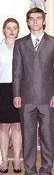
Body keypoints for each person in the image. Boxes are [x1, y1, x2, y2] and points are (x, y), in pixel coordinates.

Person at [13, 8, 54, 175]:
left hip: (47, 98)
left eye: (38, 18)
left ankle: (46, 170)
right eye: (32, 19)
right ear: (27, 22)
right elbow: (17, 72)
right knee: (28, 138)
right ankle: (30, 170)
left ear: (44, 21)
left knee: (47, 136)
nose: (35, 22)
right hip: (26, 98)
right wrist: (16, 94)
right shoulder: (20, 44)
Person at [0, 18, 22, 174]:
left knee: (17, 126)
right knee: (3, 126)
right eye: (8, 28)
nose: (12, 31)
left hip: (18, 89)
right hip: (2, 88)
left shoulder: (22, 48)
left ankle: (16, 160)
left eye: (15, 28)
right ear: (3, 30)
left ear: (19, 30)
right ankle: (4, 161)